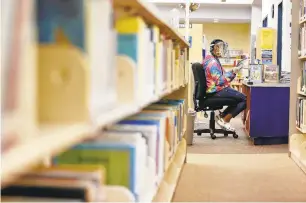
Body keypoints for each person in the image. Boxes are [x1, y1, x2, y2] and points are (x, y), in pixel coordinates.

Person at [202, 39, 247, 132]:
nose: (223, 50)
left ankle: (222, 117)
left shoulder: (213, 60)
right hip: (215, 91)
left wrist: (233, 72)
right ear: (215, 48)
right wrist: (233, 71)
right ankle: (225, 120)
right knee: (243, 99)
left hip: (215, 90)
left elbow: (223, 77)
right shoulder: (213, 63)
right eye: (221, 47)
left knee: (238, 98)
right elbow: (220, 81)